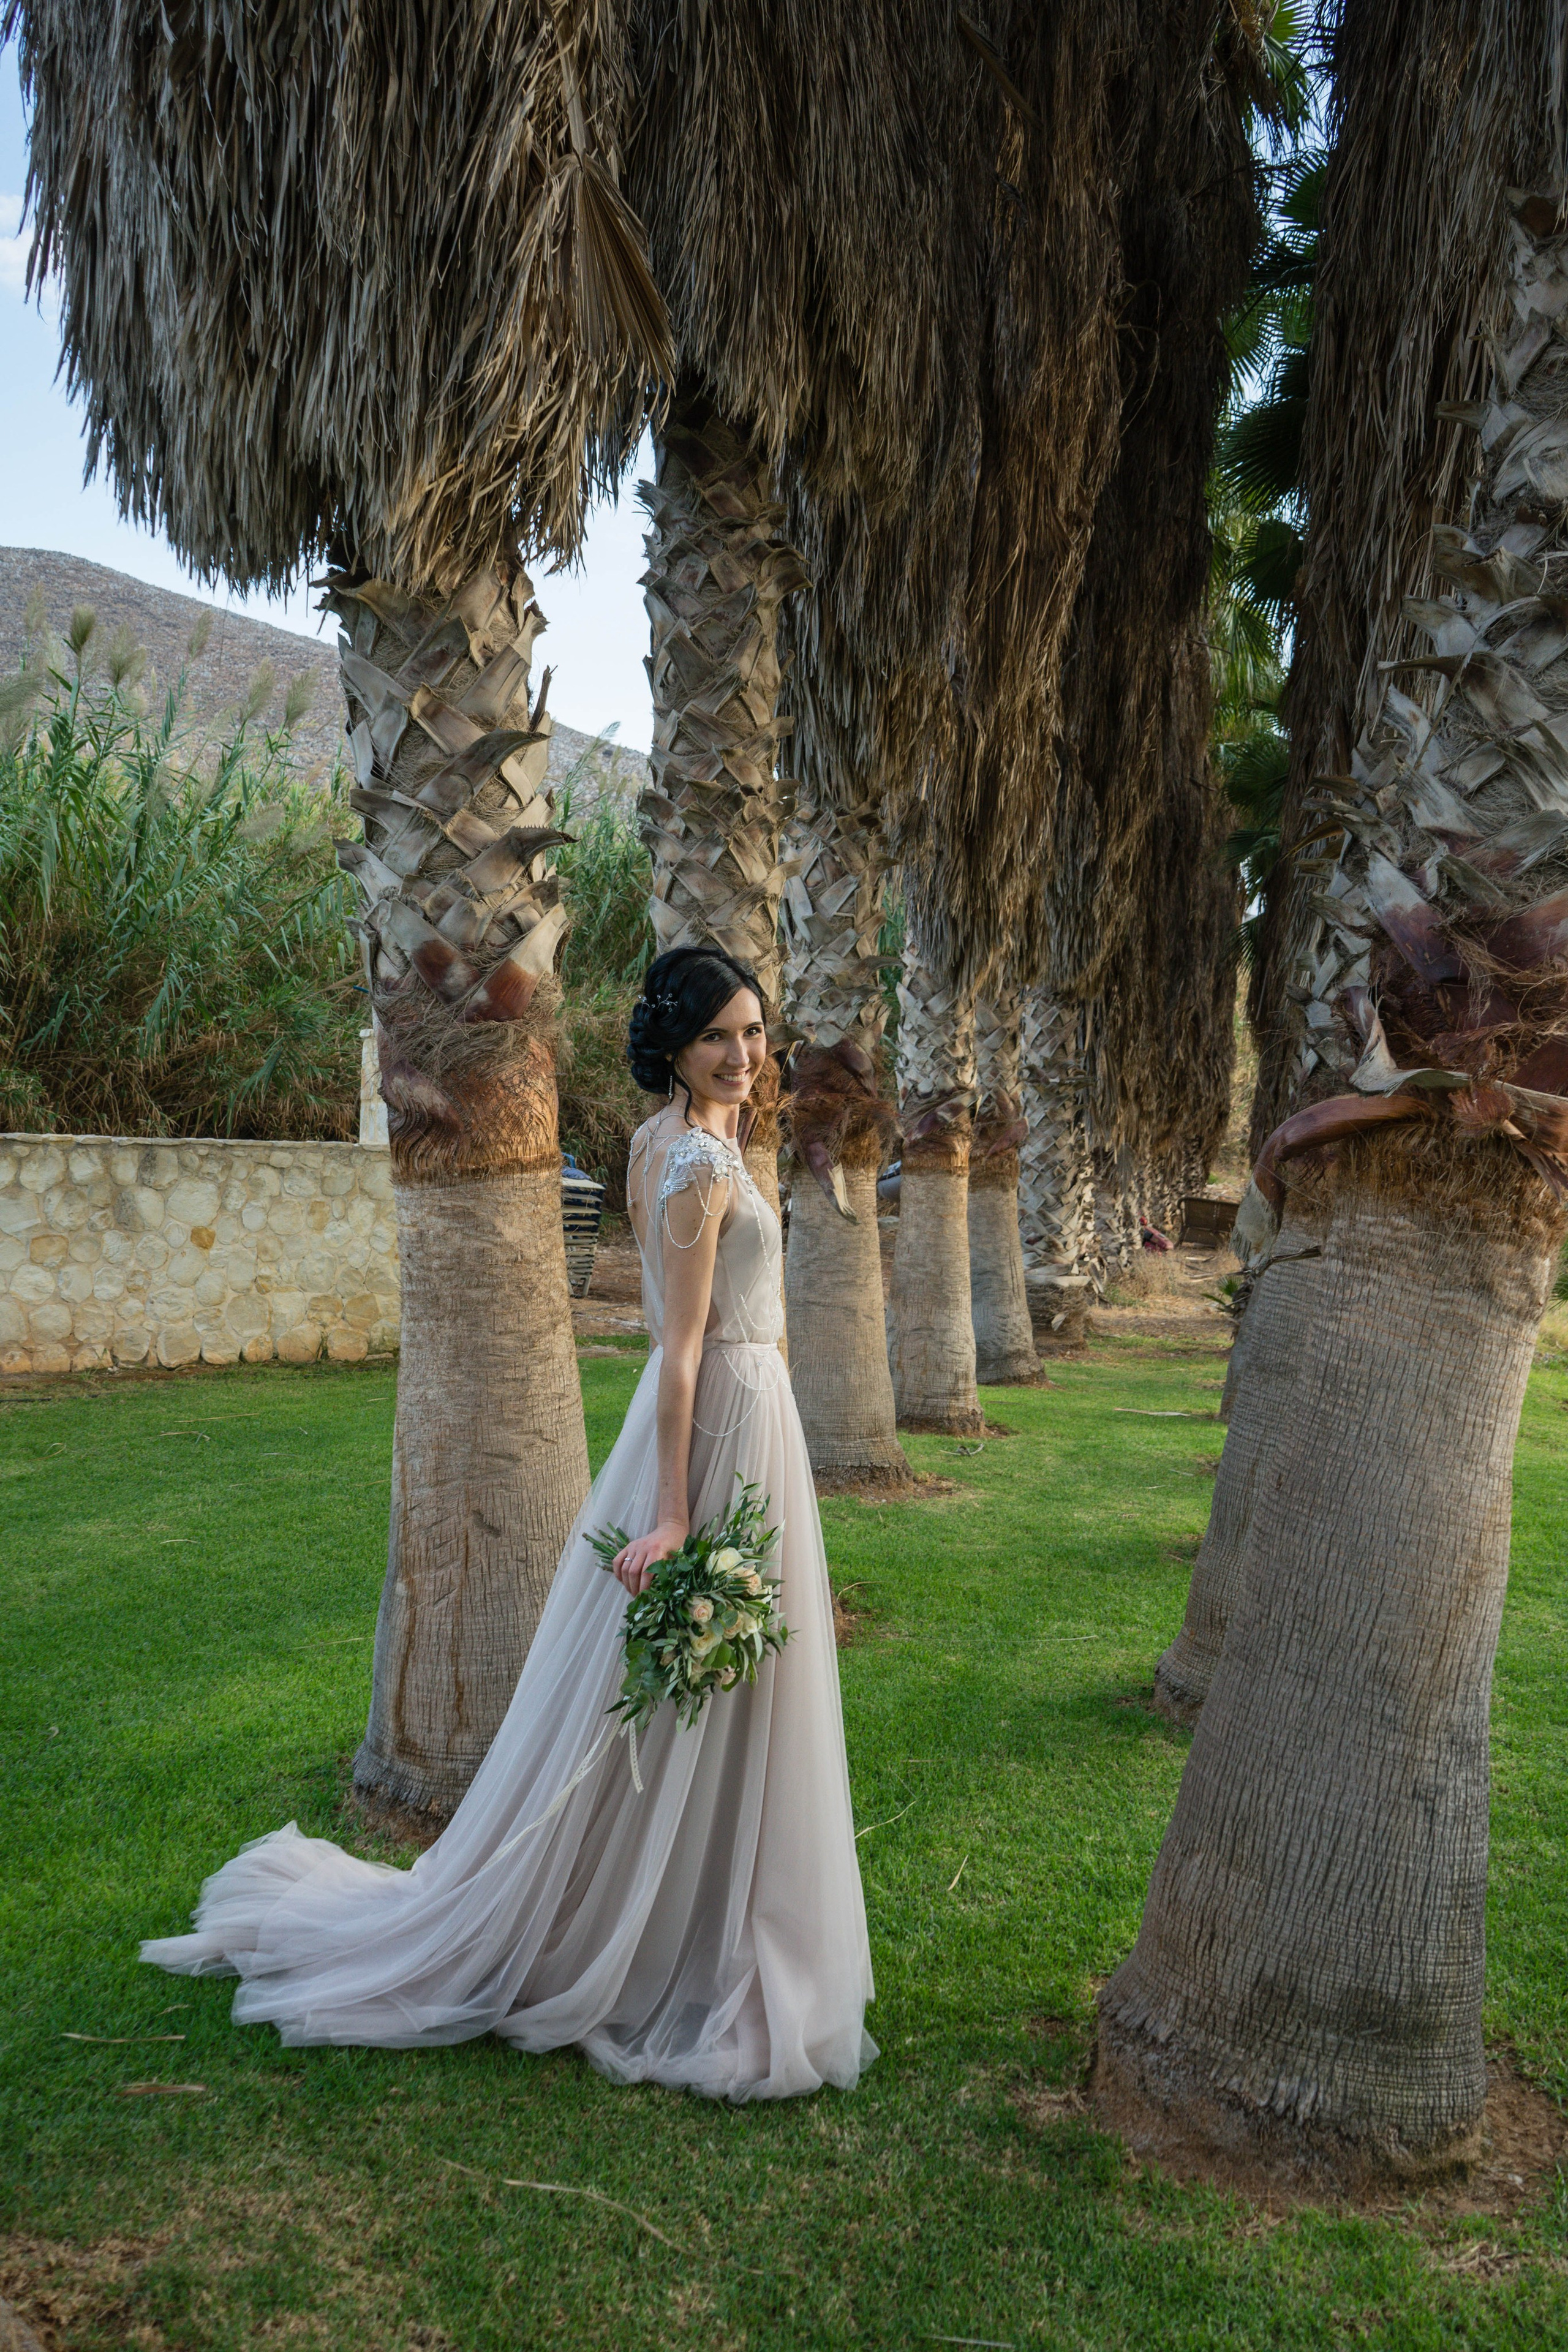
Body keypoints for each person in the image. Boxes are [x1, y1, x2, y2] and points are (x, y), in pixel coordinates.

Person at [141, 946, 876, 2102]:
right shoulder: (688, 1159)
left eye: (753, 1033)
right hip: (722, 1417)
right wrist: (676, 1511)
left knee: (722, 1685)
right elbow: (677, 1347)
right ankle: (662, 1937)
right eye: (717, 1038)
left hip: (752, 1412)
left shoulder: (682, 1141)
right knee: (700, 1671)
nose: (744, 1057)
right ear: (673, 1050)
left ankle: (700, 1915)